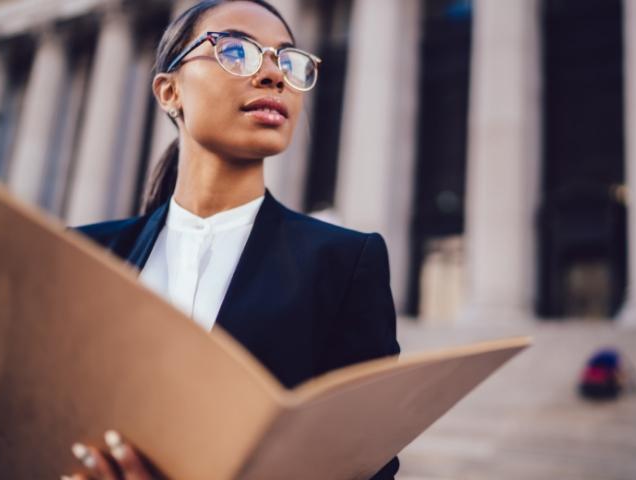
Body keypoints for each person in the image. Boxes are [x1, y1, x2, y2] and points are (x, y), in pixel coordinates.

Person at [61, 1, 400, 479]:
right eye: (237, 51)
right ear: (169, 90)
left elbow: (367, 466)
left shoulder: (344, 264)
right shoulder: (84, 258)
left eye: (288, 61)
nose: (273, 76)